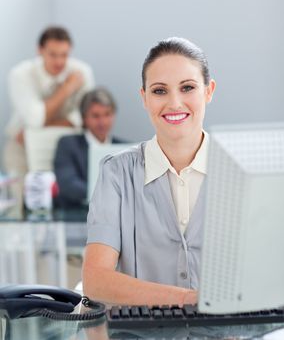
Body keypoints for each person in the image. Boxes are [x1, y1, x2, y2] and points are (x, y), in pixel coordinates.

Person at [82, 37, 216, 306]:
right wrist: (192, 300)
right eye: (159, 91)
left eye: (187, 87)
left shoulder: (240, 170)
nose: (175, 103)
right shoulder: (116, 173)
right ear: (144, 98)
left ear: (208, 91)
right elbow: (95, 281)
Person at [3, 26, 95, 177]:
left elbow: (83, 119)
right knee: (20, 198)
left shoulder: (82, 72)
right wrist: (67, 88)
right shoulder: (20, 74)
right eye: (53, 54)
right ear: (39, 50)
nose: (59, 62)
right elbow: (35, 119)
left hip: (65, 148)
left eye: (64, 55)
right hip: (22, 147)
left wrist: (36, 126)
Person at [54, 87, 126, 208]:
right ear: (84, 118)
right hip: (77, 214)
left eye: (107, 114)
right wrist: (111, 194)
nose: (102, 122)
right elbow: (68, 184)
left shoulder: (125, 148)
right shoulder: (68, 144)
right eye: (95, 116)